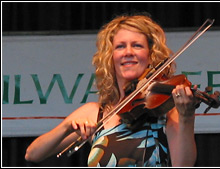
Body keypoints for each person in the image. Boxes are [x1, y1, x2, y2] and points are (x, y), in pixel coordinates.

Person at [25, 14, 197, 167]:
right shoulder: (96, 113)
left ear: (150, 56)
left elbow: (184, 165)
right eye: (120, 46)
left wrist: (187, 117)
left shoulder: (166, 110)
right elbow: (33, 154)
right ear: (111, 57)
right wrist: (67, 127)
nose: (128, 52)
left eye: (137, 46)